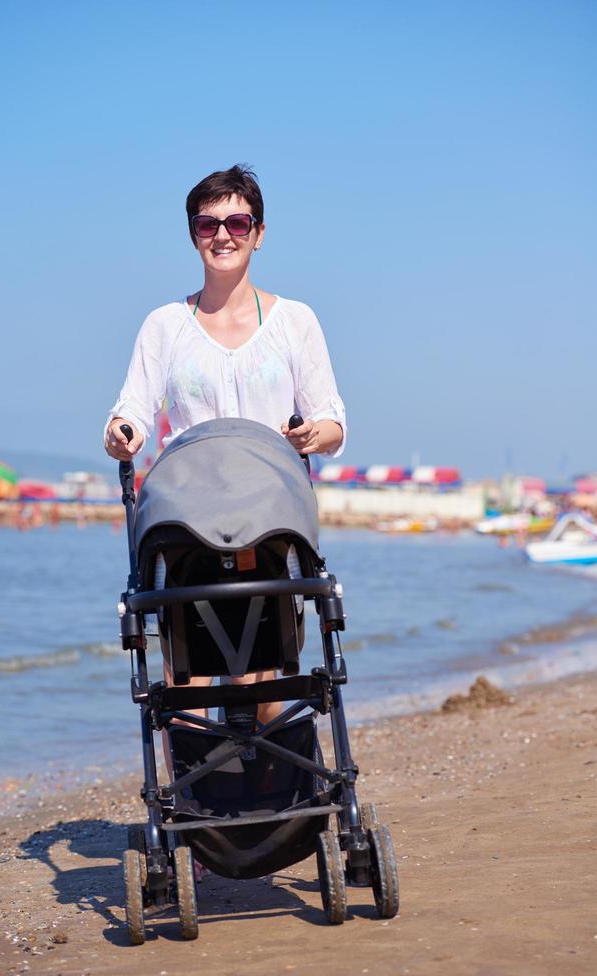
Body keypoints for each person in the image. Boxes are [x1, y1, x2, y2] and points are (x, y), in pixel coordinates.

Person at [104, 164, 346, 730]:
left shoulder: (294, 321)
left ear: (259, 233)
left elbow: (333, 421)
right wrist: (122, 434)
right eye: (207, 223)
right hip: (188, 518)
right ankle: (193, 802)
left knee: (260, 665)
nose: (223, 235)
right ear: (192, 234)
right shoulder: (165, 325)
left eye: (238, 222)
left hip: (268, 514)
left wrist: (312, 433)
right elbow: (130, 414)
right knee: (184, 672)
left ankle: (268, 792)